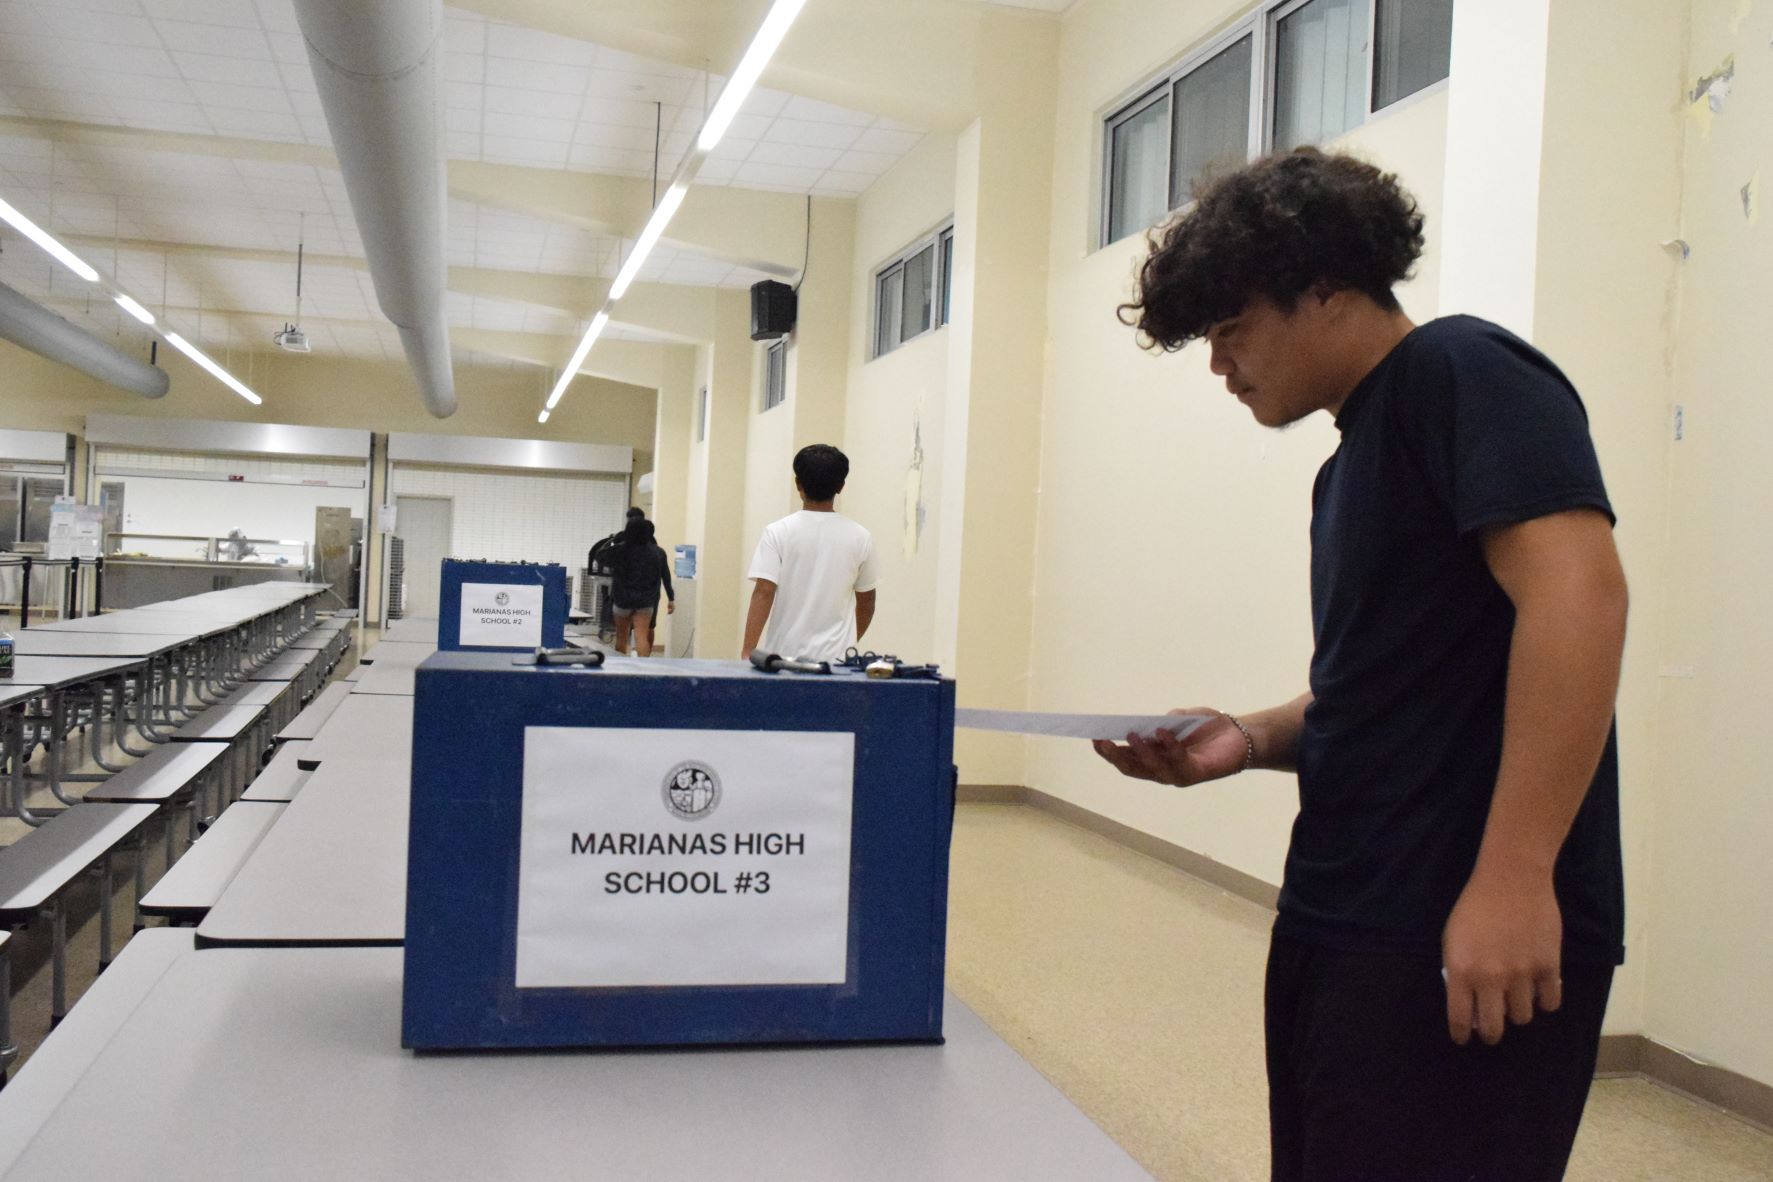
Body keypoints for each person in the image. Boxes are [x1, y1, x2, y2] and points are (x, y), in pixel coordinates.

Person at [1096, 148, 1628, 1181]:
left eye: (1231, 328)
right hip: (1344, 917)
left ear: (1327, 286)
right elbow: (1384, 689)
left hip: (1454, 929)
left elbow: (1580, 601)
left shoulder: (1463, 370)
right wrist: (1246, 737)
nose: (1218, 365)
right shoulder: (1348, 466)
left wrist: (1514, 878)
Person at [742, 444, 878, 664]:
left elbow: (764, 592)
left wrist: (748, 651)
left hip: (783, 658)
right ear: (841, 486)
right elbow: (867, 602)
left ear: (798, 484)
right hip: (837, 663)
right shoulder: (861, 537)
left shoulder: (777, 532)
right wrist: (848, 644)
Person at [606, 517, 674, 657]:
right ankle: (644, 665)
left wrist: (615, 539)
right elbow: (665, 576)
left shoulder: (622, 550)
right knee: (642, 636)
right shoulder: (657, 552)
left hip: (623, 599)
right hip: (646, 599)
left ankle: (619, 667)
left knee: (621, 637)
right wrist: (671, 597)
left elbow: (600, 555)